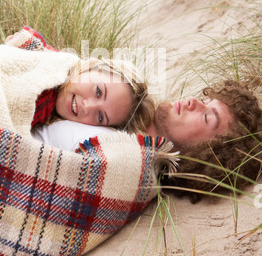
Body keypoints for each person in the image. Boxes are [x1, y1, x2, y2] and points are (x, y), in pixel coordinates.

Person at [34, 80, 262, 201]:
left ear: (210, 153)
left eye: (206, 116)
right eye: (206, 100)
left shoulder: (121, 157)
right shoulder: (125, 106)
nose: (193, 100)